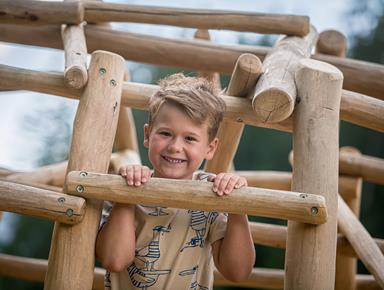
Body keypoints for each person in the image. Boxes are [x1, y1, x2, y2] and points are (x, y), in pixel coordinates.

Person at [96, 73, 255, 290]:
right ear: (147, 135)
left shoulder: (213, 193)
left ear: (210, 148)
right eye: (165, 133)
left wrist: (238, 205)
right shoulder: (125, 187)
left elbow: (238, 272)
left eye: (189, 138)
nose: (175, 147)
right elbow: (114, 260)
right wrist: (127, 196)